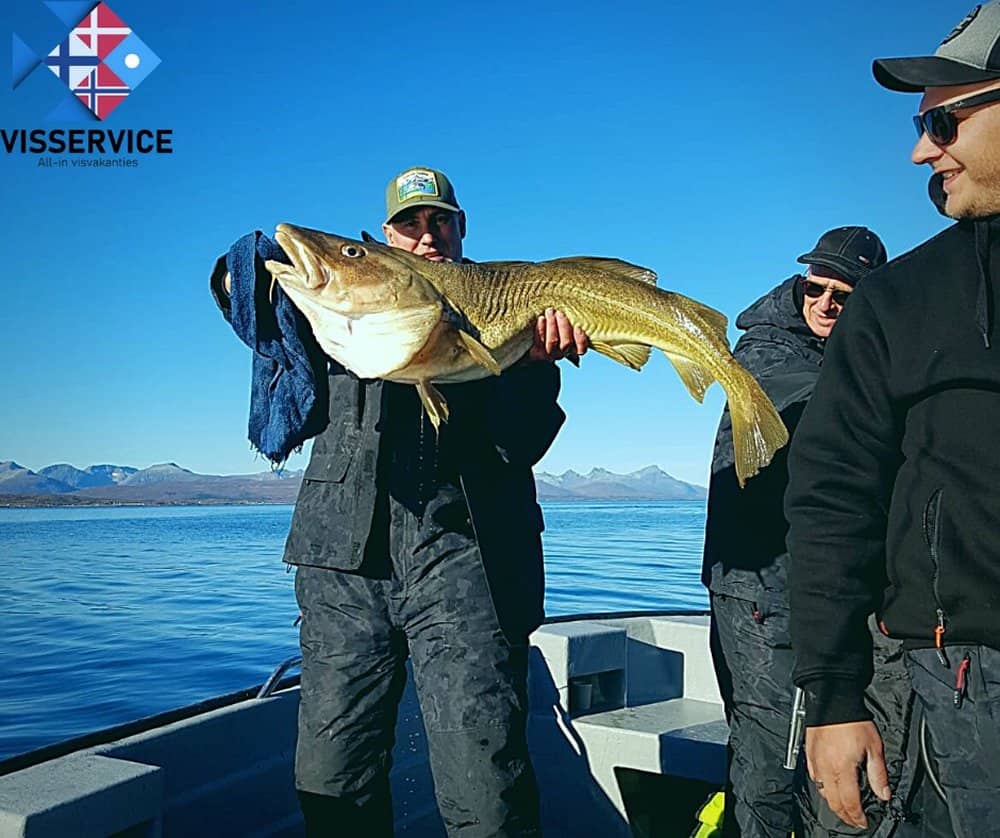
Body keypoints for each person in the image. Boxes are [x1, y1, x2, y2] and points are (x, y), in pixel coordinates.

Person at [212, 166, 589, 837]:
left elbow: (524, 445)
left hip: (466, 557)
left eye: (439, 221)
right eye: (409, 224)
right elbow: (244, 293)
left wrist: (532, 367)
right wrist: (236, 272)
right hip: (340, 563)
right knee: (332, 773)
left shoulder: (506, 309)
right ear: (387, 234)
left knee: (485, 777)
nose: (426, 236)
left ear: (460, 228)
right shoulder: (333, 305)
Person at [786, 4, 1000, 835]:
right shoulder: (899, 300)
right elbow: (832, 496)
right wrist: (835, 695)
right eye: (922, 124)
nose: (920, 150)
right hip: (969, 677)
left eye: (944, 119)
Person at [702, 227, 887, 837]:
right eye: (816, 286)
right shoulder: (765, 354)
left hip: (825, 591)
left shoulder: (858, 359)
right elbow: (821, 407)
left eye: (845, 294)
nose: (826, 303)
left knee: (820, 764)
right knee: (770, 759)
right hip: (758, 590)